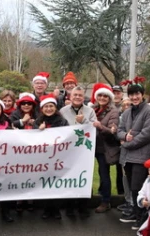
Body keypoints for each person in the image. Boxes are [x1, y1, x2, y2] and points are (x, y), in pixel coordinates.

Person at [117, 83, 150, 230]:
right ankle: (136, 212)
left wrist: (127, 142)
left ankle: (142, 217)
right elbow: (119, 130)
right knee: (131, 186)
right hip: (127, 157)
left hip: (141, 156)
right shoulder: (127, 112)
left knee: (138, 187)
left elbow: (147, 135)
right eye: (132, 94)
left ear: (142, 94)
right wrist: (124, 136)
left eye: (137, 94)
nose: (134, 97)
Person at [59, 86, 95, 218]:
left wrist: (83, 121)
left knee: (84, 176)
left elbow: (94, 127)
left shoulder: (90, 111)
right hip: (68, 150)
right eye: (75, 95)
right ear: (70, 96)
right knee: (69, 176)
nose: (77, 97)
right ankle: (69, 207)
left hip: (84, 150)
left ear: (83, 96)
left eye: (80, 95)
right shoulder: (63, 111)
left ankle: (83, 207)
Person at [34, 94, 69, 219]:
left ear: (55, 108)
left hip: (57, 158)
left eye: (51, 106)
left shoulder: (63, 121)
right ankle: (46, 209)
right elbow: (31, 139)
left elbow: (67, 137)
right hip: (42, 159)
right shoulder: (38, 122)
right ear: (42, 109)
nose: (49, 109)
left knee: (56, 183)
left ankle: (56, 209)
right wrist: (38, 130)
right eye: (46, 106)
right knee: (45, 183)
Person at [91, 84, 120, 213]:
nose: (102, 98)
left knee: (104, 174)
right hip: (90, 146)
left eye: (105, 96)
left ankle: (105, 201)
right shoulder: (92, 109)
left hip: (103, 148)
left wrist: (100, 126)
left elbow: (112, 131)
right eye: (100, 95)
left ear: (109, 98)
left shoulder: (113, 111)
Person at [116, 98, 134, 213]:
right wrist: (123, 137)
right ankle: (128, 201)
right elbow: (119, 132)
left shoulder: (136, 117)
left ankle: (133, 203)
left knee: (134, 179)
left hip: (135, 151)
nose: (127, 106)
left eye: (129, 104)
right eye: (124, 104)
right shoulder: (121, 118)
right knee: (125, 177)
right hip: (124, 151)